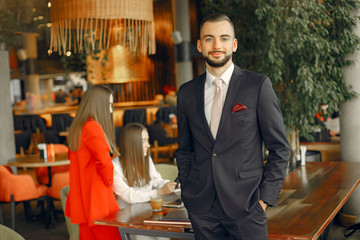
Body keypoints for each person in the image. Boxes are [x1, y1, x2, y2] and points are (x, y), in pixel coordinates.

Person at [175, 13, 290, 240]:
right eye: (209, 39)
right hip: (202, 209)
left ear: (234, 44)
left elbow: (280, 148)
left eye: (224, 38)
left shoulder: (257, 85)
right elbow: (185, 149)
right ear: (199, 45)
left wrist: (264, 200)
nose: (217, 45)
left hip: (247, 208)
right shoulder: (186, 93)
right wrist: (189, 192)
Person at [65, 85, 121, 240]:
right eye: (109, 105)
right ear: (99, 105)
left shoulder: (77, 128)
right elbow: (104, 162)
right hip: (98, 200)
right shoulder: (93, 127)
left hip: (83, 200)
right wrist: (110, 183)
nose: (111, 111)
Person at [112, 123, 177, 240]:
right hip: (129, 218)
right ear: (132, 144)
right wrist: (159, 192)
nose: (148, 145)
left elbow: (156, 180)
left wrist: (170, 184)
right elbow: (129, 196)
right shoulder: (115, 166)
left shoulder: (146, 160)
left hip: (148, 213)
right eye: (144, 141)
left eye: (147, 140)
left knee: (163, 236)